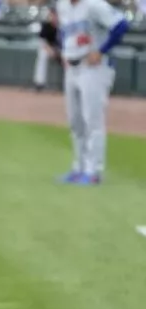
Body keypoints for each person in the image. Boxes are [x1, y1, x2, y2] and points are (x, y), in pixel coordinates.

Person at [55, 0, 130, 185]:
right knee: (75, 121)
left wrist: (102, 50)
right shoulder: (62, 5)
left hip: (95, 68)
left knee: (93, 120)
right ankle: (78, 168)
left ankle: (94, 171)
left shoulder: (95, 4)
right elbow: (64, 32)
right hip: (72, 67)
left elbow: (121, 25)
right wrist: (64, 52)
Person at [33, 6, 62, 91]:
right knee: (42, 55)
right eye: (52, 14)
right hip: (49, 50)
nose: (54, 17)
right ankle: (39, 83)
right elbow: (42, 42)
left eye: (55, 15)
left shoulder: (63, 25)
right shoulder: (46, 25)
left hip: (61, 50)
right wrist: (50, 51)